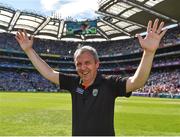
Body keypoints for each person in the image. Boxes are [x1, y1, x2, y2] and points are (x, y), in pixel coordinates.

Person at [15, 19, 167, 136]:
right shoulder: (74, 82)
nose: (83, 67)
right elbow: (49, 73)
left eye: (87, 63)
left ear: (97, 64)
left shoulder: (110, 83)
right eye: (79, 64)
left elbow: (137, 82)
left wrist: (148, 53)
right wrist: (29, 50)